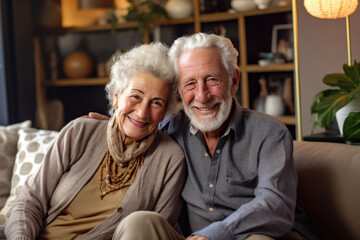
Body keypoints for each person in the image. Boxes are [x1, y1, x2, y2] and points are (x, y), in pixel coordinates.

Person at [104, 33, 317, 240]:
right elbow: (137, 128)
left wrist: (214, 234)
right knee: (139, 223)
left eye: (212, 80)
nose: (202, 96)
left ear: (234, 81)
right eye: (190, 83)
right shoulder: (171, 129)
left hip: (256, 234)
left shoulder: (269, 133)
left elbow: (276, 204)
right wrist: (106, 125)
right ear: (179, 90)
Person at [3, 42, 186, 239]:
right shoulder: (81, 132)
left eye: (156, 103)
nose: (142, 112)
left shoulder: (169, 159)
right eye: (135, 96)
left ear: (164, 113)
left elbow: (155, 231)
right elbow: (30, 200)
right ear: (116, 97)